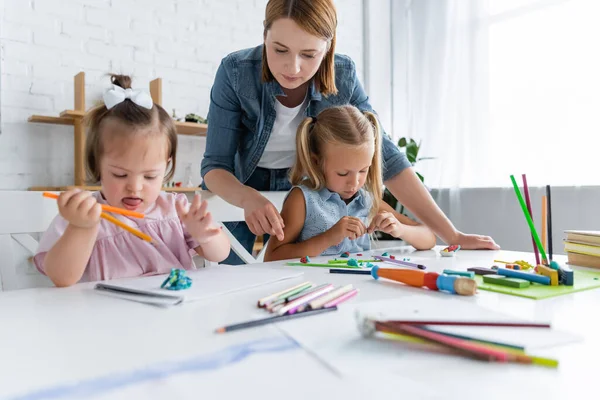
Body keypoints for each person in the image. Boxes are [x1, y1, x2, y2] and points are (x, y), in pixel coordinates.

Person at [201, 0, 499, 265]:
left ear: (328, 47)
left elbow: (390, 159)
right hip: (242, 183)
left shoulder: (343, 74)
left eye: (309, 54)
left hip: (310, 181)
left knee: (294, 276)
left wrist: (453, 234)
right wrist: (247, 198)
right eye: (280, 50)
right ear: (264, 35)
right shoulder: (236, 71)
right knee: (230, 273)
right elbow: (215, 166)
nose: (293, 67)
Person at [34, 75, 230, 287]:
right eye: (120, 175)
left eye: (150, 176)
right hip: (109, 314)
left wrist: (206, 235)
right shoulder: (82, 213)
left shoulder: (176, 209)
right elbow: (61, 278)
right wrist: (82, 228)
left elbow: (220, 254)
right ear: (97, 165)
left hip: (173, 312)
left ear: (167, 164)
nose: (135, 187)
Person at [264, 106, 436, 261]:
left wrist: (400, 229)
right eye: (343, 173)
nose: (354, 183)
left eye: (363, 171)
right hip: (313, 290)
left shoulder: (365, 200)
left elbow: (429, 237)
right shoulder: (302, 199)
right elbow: (272, 257)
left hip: (356, 290)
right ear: (316, 161)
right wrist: (330, 237)